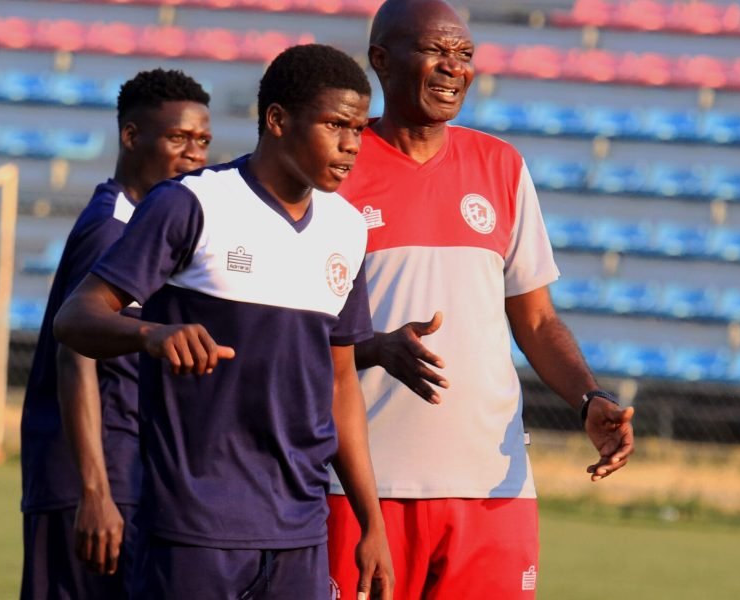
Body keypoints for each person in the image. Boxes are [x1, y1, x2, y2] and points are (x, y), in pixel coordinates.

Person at [54, 44, 394, 600]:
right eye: (336, 125)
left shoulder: (348, 230)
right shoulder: (192, 204)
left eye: (358, 128)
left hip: (301, 531)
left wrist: (370, 522)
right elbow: (76, 317)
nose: (351, 145)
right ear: (277, 120)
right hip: (193, 527)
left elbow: (340, 382)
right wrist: (152, 334)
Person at [324, 2, 637, 598]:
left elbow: (537, 319)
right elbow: (292, 329)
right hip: (361, 489)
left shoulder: (501, 165)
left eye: (464, 55)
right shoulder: (337, 167)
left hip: (494, 489)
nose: (453, 68)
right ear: (381, 60)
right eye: (435, 51)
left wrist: (587, 397)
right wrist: (369, 348)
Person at [18, 68, 212, 599]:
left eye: (203, 140)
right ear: (131, 136)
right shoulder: (112, 228)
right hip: (93, 482)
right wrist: (95, 492)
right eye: (178, 138)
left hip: (123, 472)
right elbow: (73, 356)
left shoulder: (149, 226)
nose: (195, 153)